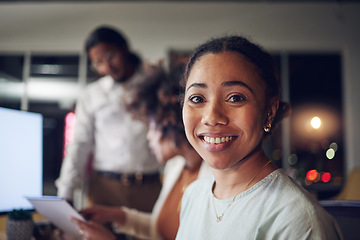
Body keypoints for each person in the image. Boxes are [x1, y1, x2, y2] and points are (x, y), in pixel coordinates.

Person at [175, 35, 343, 239]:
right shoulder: (194, 195)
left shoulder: (296, 219)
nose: (212, 117)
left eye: (235, 98)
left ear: (269, 111)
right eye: (197, 98)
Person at [70, 64, 212, 240]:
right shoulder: (175, 167)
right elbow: (160, 230)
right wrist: (116, 215)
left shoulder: (212, 178)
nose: (148, 137)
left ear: (170, 122)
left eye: (151, 127)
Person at [55, 25, 162, 213]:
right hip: (104, 189)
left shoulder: (154, 86)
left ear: (124, 48)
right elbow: (79, 143)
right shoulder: (91, 94)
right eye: (98, 63)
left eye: (110, 56)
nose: (107, 67)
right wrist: (66, 191)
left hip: (149, 186)